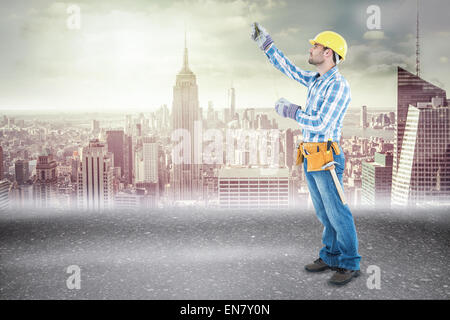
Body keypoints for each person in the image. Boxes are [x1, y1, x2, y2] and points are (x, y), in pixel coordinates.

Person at [251, 22, 361, 286]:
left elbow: (322, 123)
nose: (310, 49)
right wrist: (267, 45)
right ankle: (330, 255)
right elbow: (289, 69)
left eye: (315, 46)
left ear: (328, 53)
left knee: (337, 212)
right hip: (312, 155)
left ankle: (349, 263)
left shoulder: (338, 86)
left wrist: (292, 111)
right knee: (324, 213)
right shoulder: (317, 81)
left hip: (326, 157)